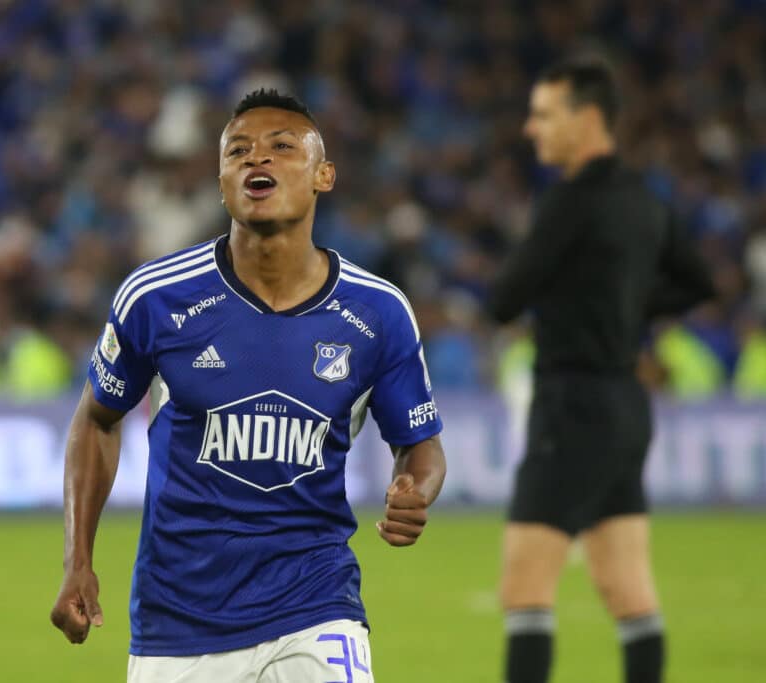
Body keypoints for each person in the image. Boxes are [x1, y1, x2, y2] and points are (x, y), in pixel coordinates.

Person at [49, 89, 446, 682]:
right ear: (221, 181)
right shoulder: (157, 298)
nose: (256, 159)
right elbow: (98, 418)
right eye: (238, 151)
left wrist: (415, 488)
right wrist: (77, 560)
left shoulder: (378, 312)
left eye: (281, 147)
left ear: (324, 175)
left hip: (317, 604)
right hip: (178, 623)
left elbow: (419, 443)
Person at [486, 60, 715, 683]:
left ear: (587, 119)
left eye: (543, 115)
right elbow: (700, 281)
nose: (532, 129)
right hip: (625, 407)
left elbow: (505, 297)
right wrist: (629, 305)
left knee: (524, 589)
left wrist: (567, 298)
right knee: (628, 590)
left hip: (570, 405)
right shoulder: (645, 201)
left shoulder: (569, 201)